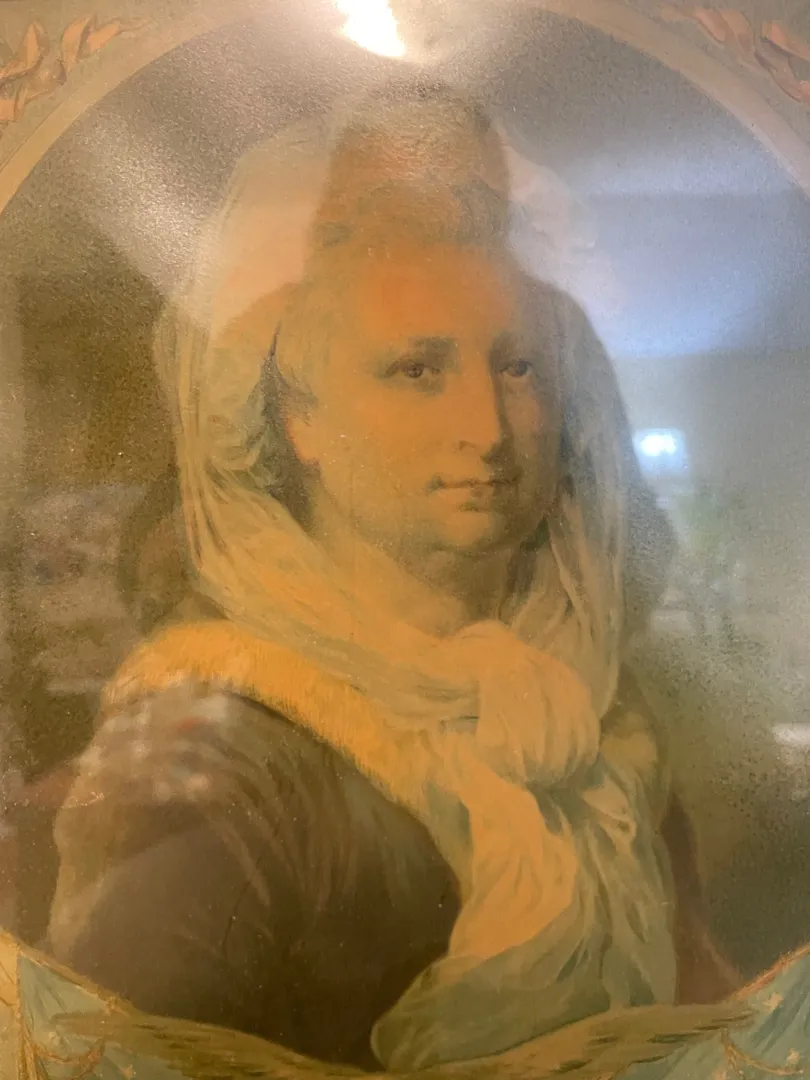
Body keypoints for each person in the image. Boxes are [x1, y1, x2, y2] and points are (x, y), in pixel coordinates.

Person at [38, 80, 749, 1075]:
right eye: (417, 371)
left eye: (518, 369)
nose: (487, 432)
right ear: (300, 419)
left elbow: (706, 999)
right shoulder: (216, 754)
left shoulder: (596, 711)